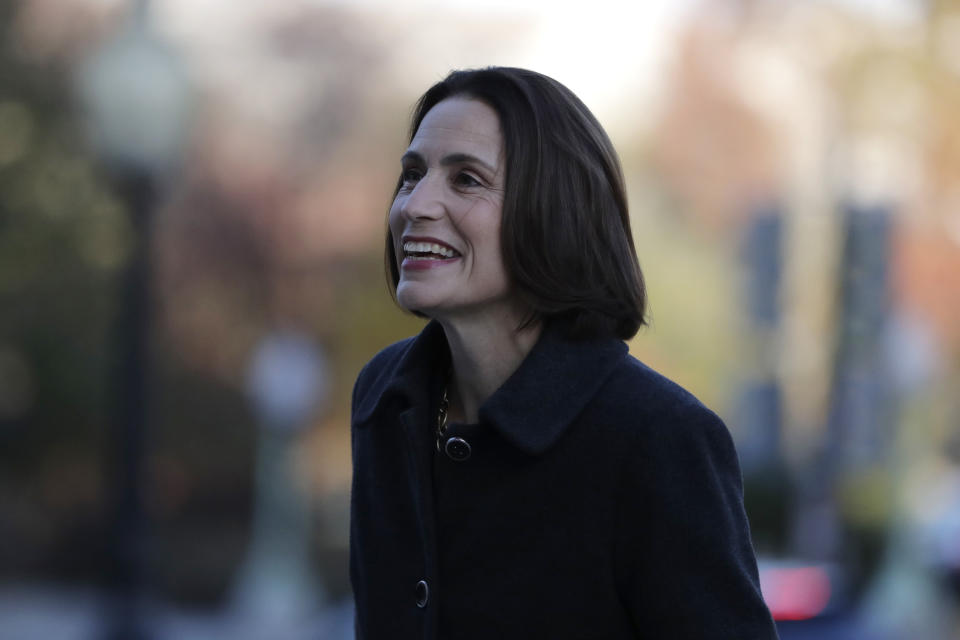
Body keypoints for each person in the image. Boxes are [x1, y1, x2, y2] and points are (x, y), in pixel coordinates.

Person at [350, 67, 778, 639]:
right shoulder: (385, 397)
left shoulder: (658, 437)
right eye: (412, 175)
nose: (415, 205)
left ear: (553, 210)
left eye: (467, 179)